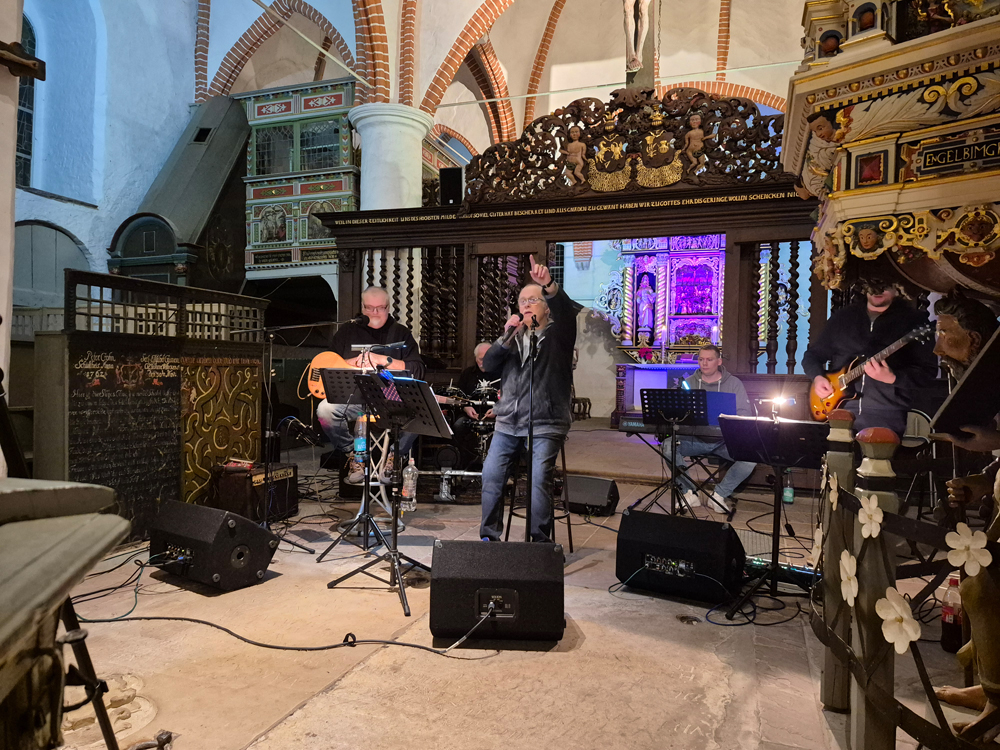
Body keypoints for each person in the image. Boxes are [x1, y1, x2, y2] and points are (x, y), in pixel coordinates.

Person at [480, 256, 578, 543]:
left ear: (546, 307)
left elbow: (566, 312)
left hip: (546, 422)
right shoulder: (513, 338)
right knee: (491, 476)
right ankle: (488, 540)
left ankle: (539, 544)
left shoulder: (559, 335)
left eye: (533, 300)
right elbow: (488, 364)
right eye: (522, 301)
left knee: (537, 480)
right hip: (508, 421)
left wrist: (548, 284)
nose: (525, 305)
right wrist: (506, 335)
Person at [316, 286, 424, 484]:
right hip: (354, 399)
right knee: (325, 411)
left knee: (421, 412)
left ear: (388, 308)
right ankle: (353, 455)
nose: (374, 313)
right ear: (362, 307)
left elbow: (417, 369)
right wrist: (353, 362)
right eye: (369, 308)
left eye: (380, 308)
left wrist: (383, 360)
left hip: (391, 400)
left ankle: (395, 456)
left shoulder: (400, 333)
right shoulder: (347, 331)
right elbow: (327, 364)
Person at [803, 279, 937, 437]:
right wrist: (817, 377)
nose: (877, 292)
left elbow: (928, 372)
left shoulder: (914, 321)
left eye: (884, 286)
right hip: (838, 410)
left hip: (887, 412)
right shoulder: (843, 317)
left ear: (897, 288)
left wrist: (893, 378)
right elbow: (812, 356)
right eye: (872, 287)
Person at [672, 345, 755, 513]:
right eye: (701, 359)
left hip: (724, 442)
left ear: (719, 361)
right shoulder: (688, 383)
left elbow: (745, 414)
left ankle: (719, 495)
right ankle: (689, 493)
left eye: (709, 359)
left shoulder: (734, 383)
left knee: (751, 457)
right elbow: (678, 412)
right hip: (695, 439)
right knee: (668, 447)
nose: (704, 363)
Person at [452, 343, 500, 468]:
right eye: (481, 359)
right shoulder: (468, 374)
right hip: (471, 414)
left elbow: (509, 397)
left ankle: (497, 467)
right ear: (475, 358)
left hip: (496, 414)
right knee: (458, 426)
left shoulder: (501, 374)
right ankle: (462, 464)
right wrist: (466, 407)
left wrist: (497, 409)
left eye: (487, 359)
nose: (484, 362)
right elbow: (459, 397)